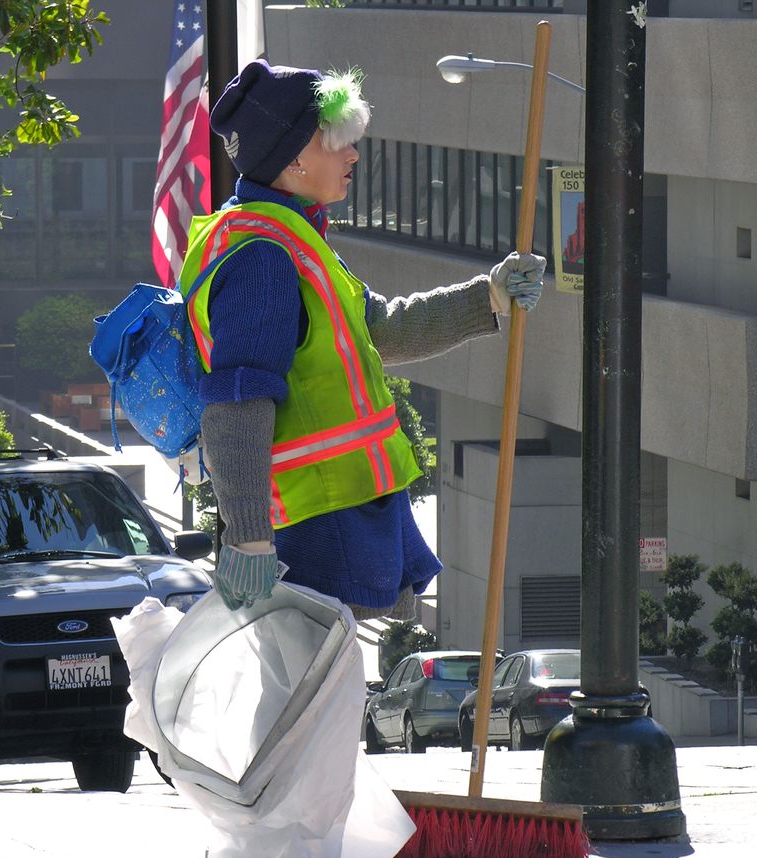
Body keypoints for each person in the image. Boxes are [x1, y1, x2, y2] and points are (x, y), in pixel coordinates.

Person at [183, 59, 546, 621]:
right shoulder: (263, 255)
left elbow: (381, 329)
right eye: (337, 142)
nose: (353, 155)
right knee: (311, 703)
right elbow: (236, 401)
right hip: (313, 524)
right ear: (294, 157)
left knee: (321, 701)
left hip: (333, 513)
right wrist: (248, 537)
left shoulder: (290, 237)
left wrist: (489, 296)